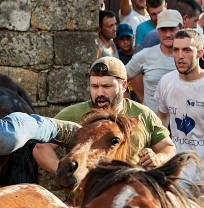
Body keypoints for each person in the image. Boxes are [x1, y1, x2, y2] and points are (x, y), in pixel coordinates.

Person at [33, 57, 176, 174]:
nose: (99, 93)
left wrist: (157, 158)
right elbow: (42, 148)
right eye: (94, 86)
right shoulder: (73, 114)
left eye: (107, 87)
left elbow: (168, 147)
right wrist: (64, 171)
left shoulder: (143, 114)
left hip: (130, 200)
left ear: (124, 85)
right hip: (83, 202)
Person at [157, 28, 204, 190]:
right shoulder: (166, 81)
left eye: (187, 50)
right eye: (176, 50)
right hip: (178, 174)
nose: (180, 55)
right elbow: (162, 120)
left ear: (200, 53)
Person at [126, 9, 182, 113]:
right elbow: (121, 76)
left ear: (180, 28)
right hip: (152, 124)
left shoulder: (191, 56)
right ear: (157, 30)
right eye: (163, 29)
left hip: (182, 124)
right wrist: (129, 106)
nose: (168, 34)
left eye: (172, 29)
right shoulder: (145, 55)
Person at [137, 0, 202, 50]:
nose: (167, 34)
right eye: (195, 21)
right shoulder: (153, 37)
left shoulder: (194, 36)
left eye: (172, 29)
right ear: (184, 19)